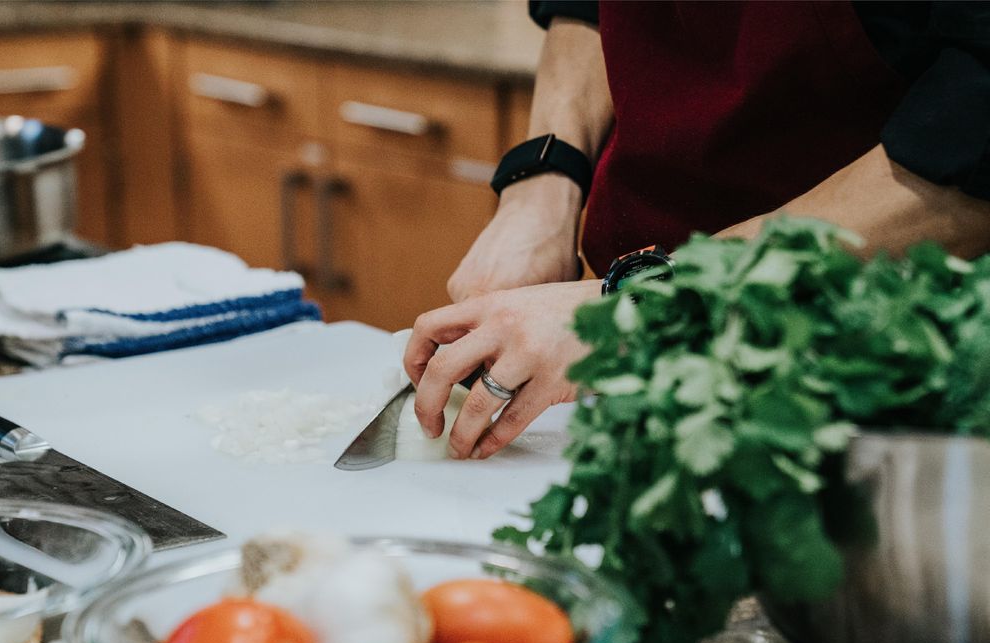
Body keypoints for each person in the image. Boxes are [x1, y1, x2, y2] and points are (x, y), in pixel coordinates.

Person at [405, 0, 990, 461]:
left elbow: (967, 155)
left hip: (884, 382)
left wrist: (647, 302)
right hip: (622, 342)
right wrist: (543, 181)